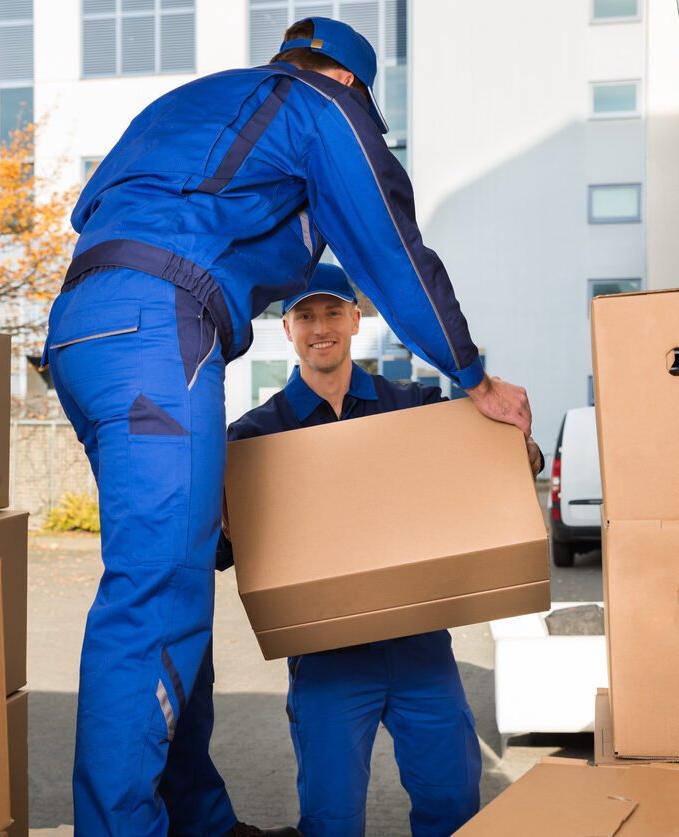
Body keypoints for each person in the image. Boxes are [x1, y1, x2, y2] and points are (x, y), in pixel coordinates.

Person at [42, 16, 533, 837]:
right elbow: (390, 245)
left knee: (173, 573)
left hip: (85, 333)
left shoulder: (197, 104)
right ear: (352, 86)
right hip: (161, 326)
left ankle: (197, 819)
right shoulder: (318, 106)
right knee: (155, 596)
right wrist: (472, 372)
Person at [217, 265, 542, 836]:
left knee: (454, 806)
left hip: (421, 647)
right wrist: (218, 515)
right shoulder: (254, 439)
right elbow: (223, 551)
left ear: (355, 320)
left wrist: (523, 452)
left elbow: (485, 467)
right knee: (331, 821)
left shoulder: (413, 405)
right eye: (307, 316)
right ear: (287, 328)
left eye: (333, 313)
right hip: (328, 659)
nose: (322, 328)